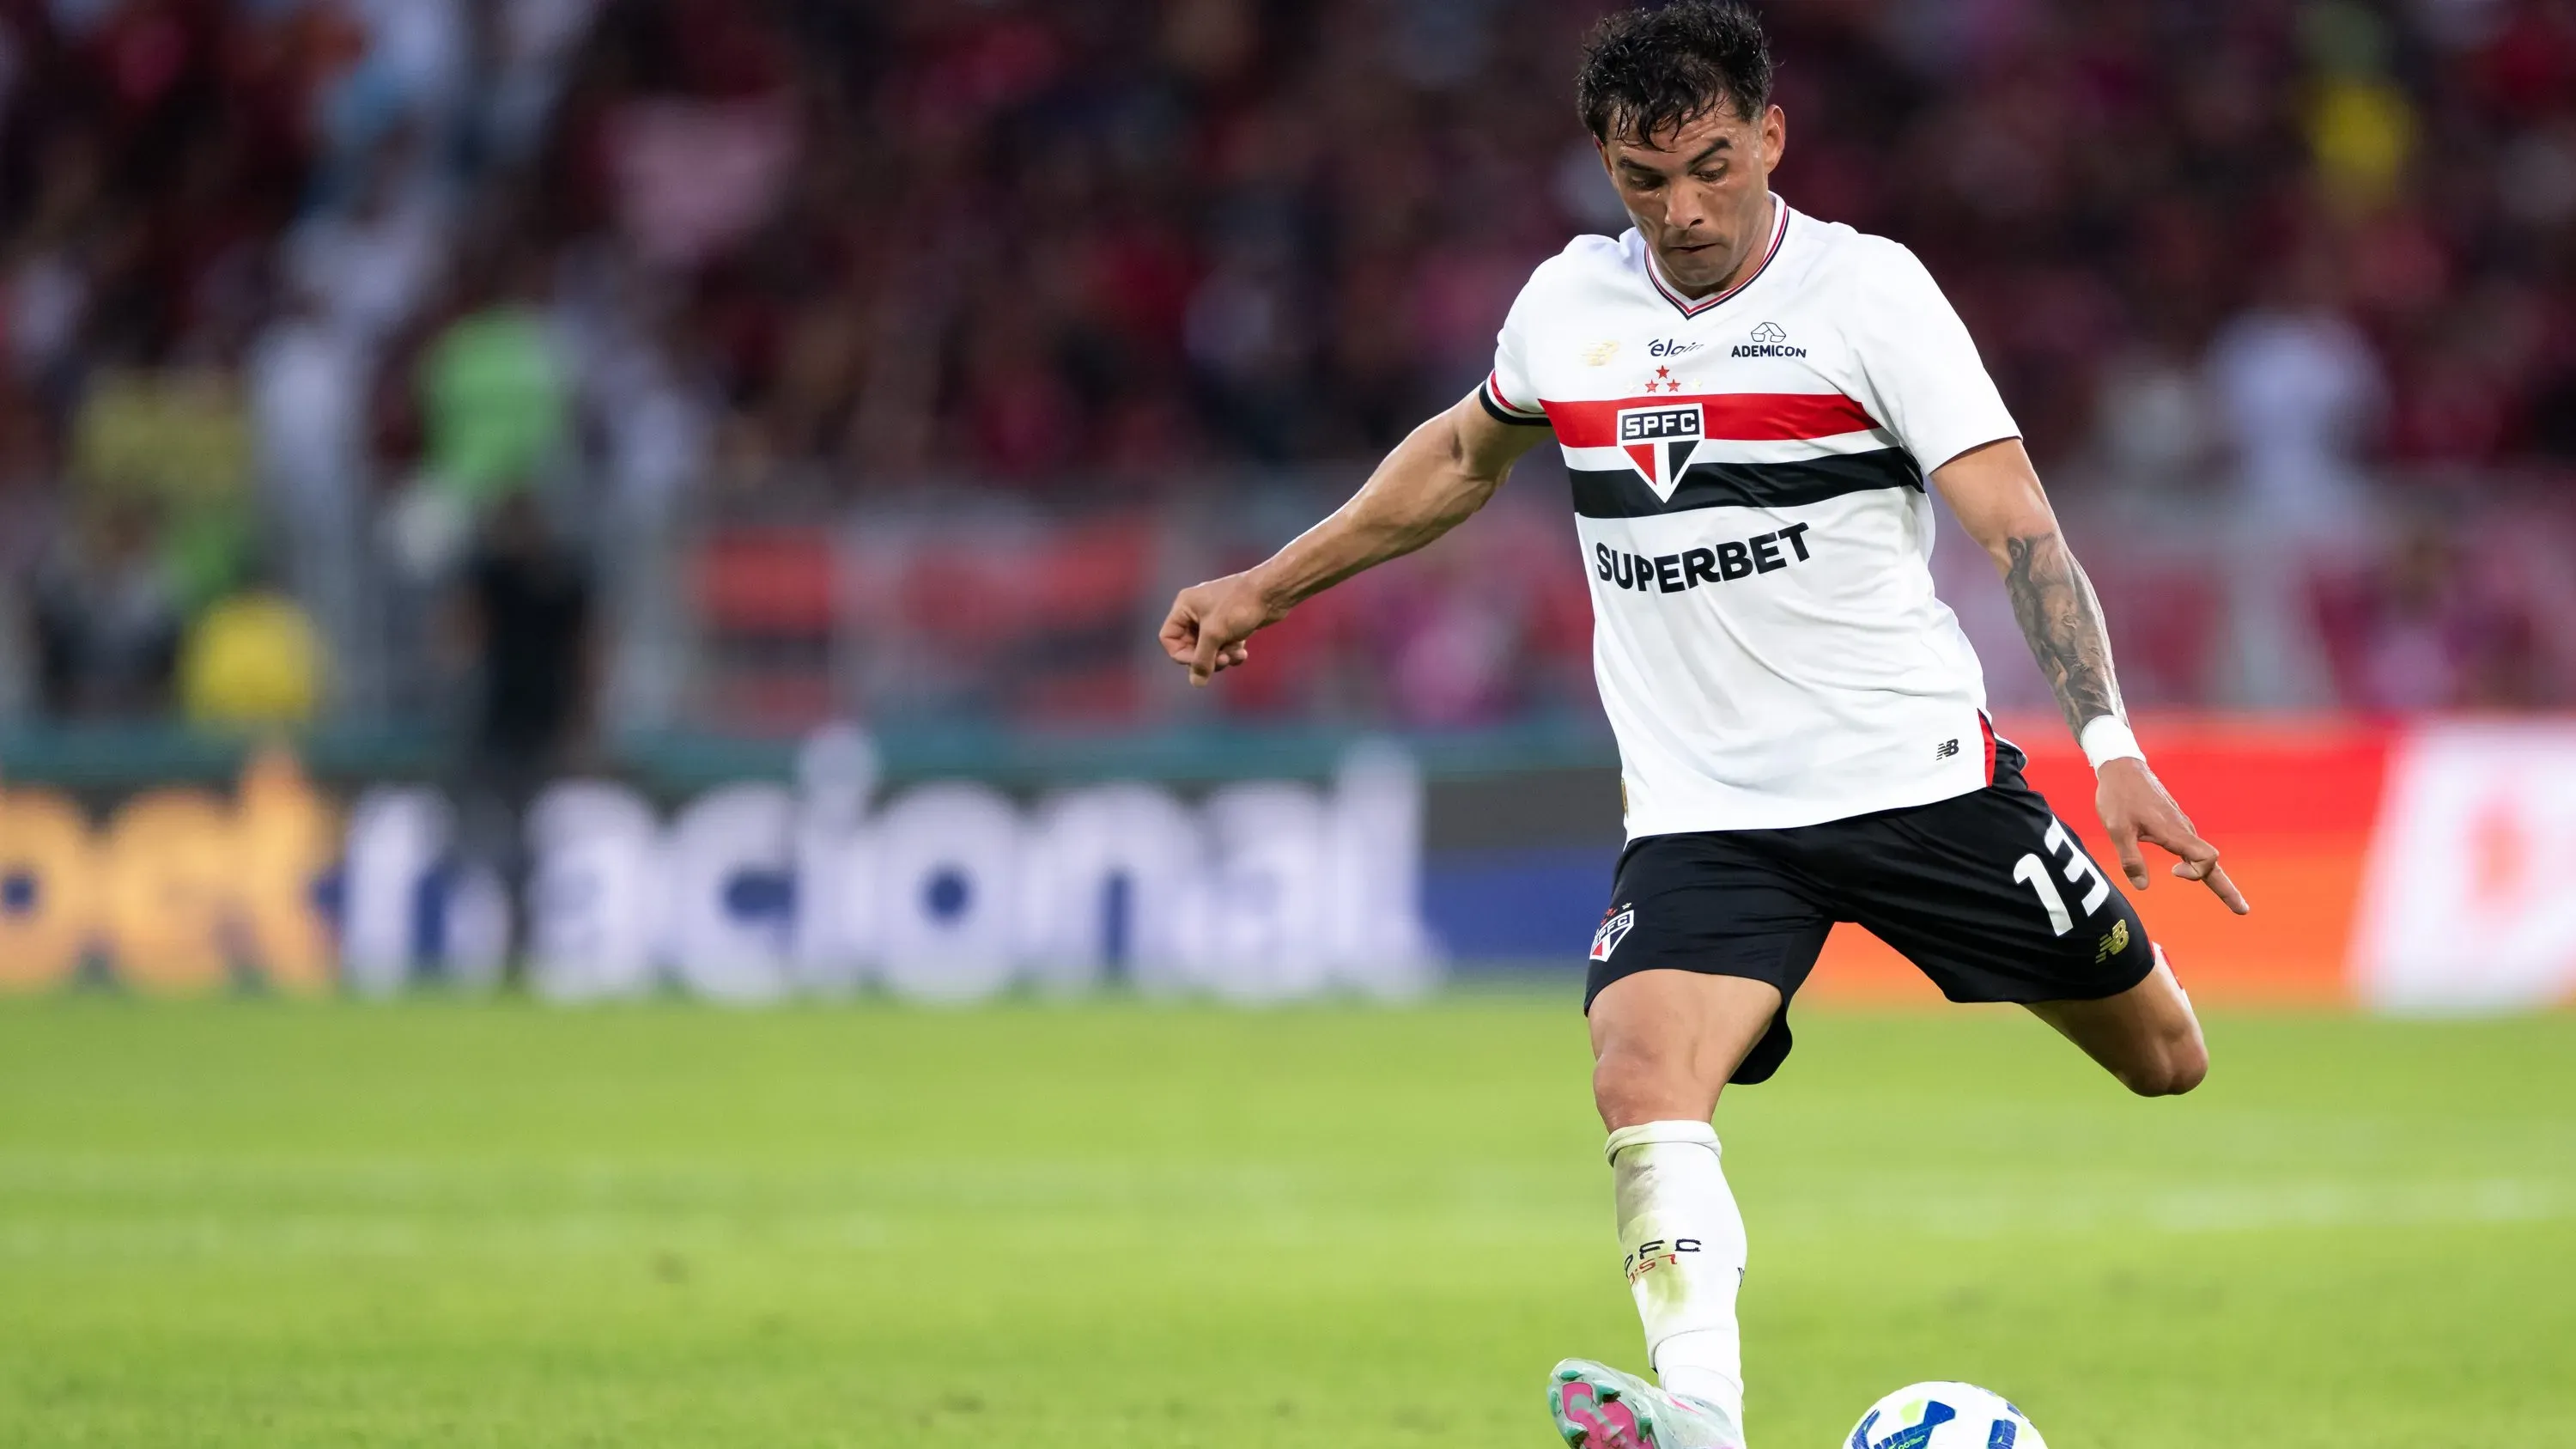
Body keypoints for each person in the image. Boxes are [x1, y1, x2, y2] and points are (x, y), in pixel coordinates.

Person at [1154, 6, 2249, 1447]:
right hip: (1708, 818)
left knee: (2166, 1055)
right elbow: (1462, 456)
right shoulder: (1569, 307)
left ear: (1771, 136)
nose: (1681, 210)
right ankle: (1702, 1416)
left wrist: (2112, 750)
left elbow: (2018, 527)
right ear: (1606, 167)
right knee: (1639, 1072)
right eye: (1644, 179)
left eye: (1712, 166)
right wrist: (1264, 585)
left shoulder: (1870, 296)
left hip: (1918, 782)